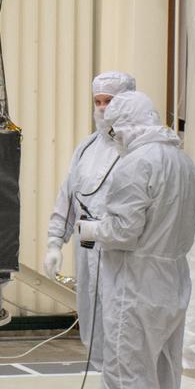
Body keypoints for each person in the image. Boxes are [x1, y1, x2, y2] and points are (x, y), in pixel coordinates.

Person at [76, 91, 195, 389]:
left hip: (136, 284)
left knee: (128, 373)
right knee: (164, 370)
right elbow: (190, 221)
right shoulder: (184, 163)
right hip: (173, 279)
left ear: (121, 127)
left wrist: (91, 228)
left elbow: (123, 231)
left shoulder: (135, 164)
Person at [43, 70, 138, 368]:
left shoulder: (135, 150)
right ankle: (99, 377)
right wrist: (55, 241)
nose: (101, 107)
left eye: (108, 100)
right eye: (97, 101)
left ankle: (119, 386)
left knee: (118, 316)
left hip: (117, 246)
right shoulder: (86, 147)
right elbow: (69, 194)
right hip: (86, 242)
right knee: (91, 313)